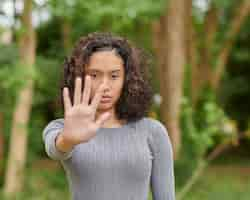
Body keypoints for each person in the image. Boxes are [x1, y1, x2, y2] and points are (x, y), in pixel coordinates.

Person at [42, 32, 175, 200]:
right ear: (80, 77)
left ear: (127, 79)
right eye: (94, 75)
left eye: (114, 76)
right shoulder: (64, 128)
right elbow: (56, 150)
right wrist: (68, 139)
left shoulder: (153, 131)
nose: (104, 85)